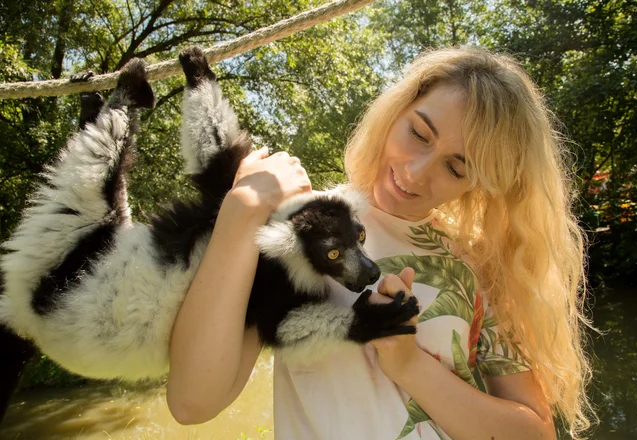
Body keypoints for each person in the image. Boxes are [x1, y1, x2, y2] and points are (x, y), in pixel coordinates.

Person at [166, 47, 594, 439]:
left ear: (480, 182)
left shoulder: (479, 263)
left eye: (456, 168)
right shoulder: (302, 231)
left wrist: (410, 365)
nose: (416, 172)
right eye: (419, 134)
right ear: (397, 110)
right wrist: (240, 213)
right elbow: (192, 402)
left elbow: (536, 433)